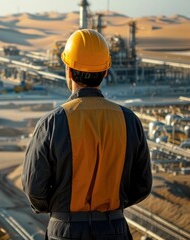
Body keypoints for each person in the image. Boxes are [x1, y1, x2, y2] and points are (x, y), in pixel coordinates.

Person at [22, 29, 152, 239]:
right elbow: (142, 185)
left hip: (65, 231)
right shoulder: (129, 121)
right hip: (114, 230)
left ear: (69, 71)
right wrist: (112, 209)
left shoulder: (52, 123)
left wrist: (61, 209)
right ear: (106, 72)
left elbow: (34, 189)